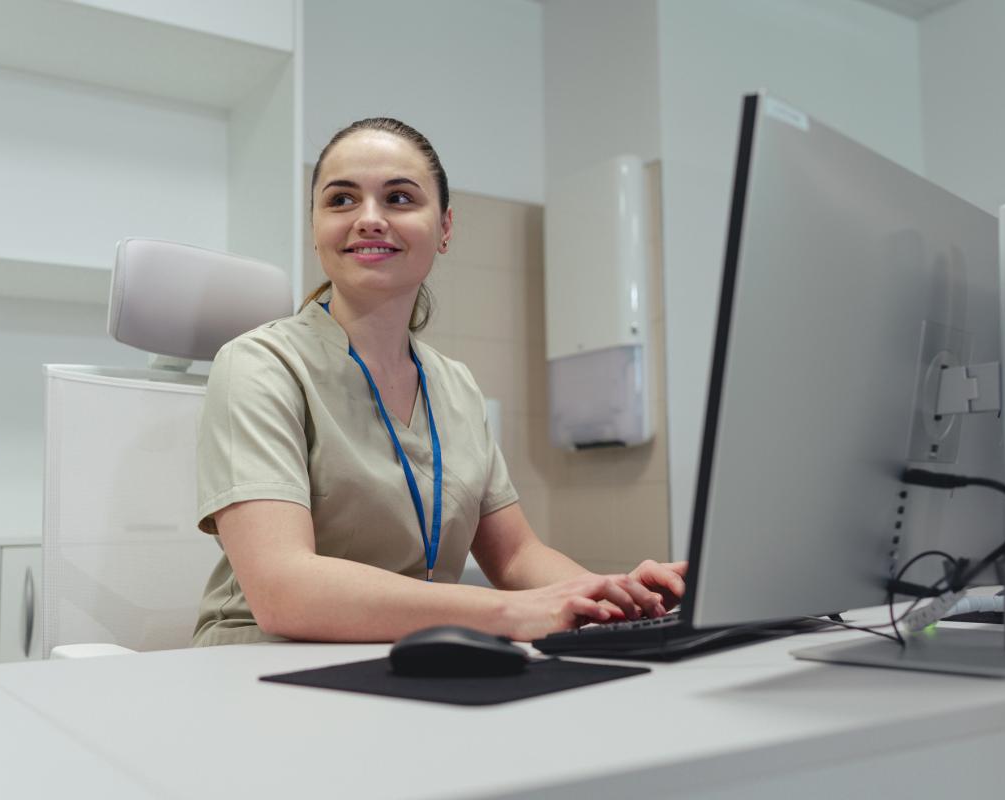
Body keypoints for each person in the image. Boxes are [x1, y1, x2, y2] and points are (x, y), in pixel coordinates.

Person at [193, 117, 686, 646]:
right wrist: (510, 613)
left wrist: (614, 596)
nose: (369, 219)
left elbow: (516, 555)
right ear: (315, 228)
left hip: (417, 656)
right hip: (264, 669)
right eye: (340, 201)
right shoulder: (259, 364)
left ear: (445, 228)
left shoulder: (454, 385)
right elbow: (284, 591)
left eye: (400, 198)